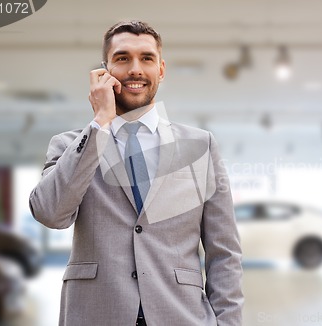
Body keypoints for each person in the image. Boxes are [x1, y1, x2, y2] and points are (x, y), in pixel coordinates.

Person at [29, 21, 243, 326]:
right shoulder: (70, 145)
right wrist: (100, 122)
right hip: (96, 314)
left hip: (181, 315)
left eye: (146, 58)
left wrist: (228, 322)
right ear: (104, 71)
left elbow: (224, 251)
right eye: (122, 58)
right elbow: (50, 213)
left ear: (161, 69)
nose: (135, 69)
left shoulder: (200, 146)